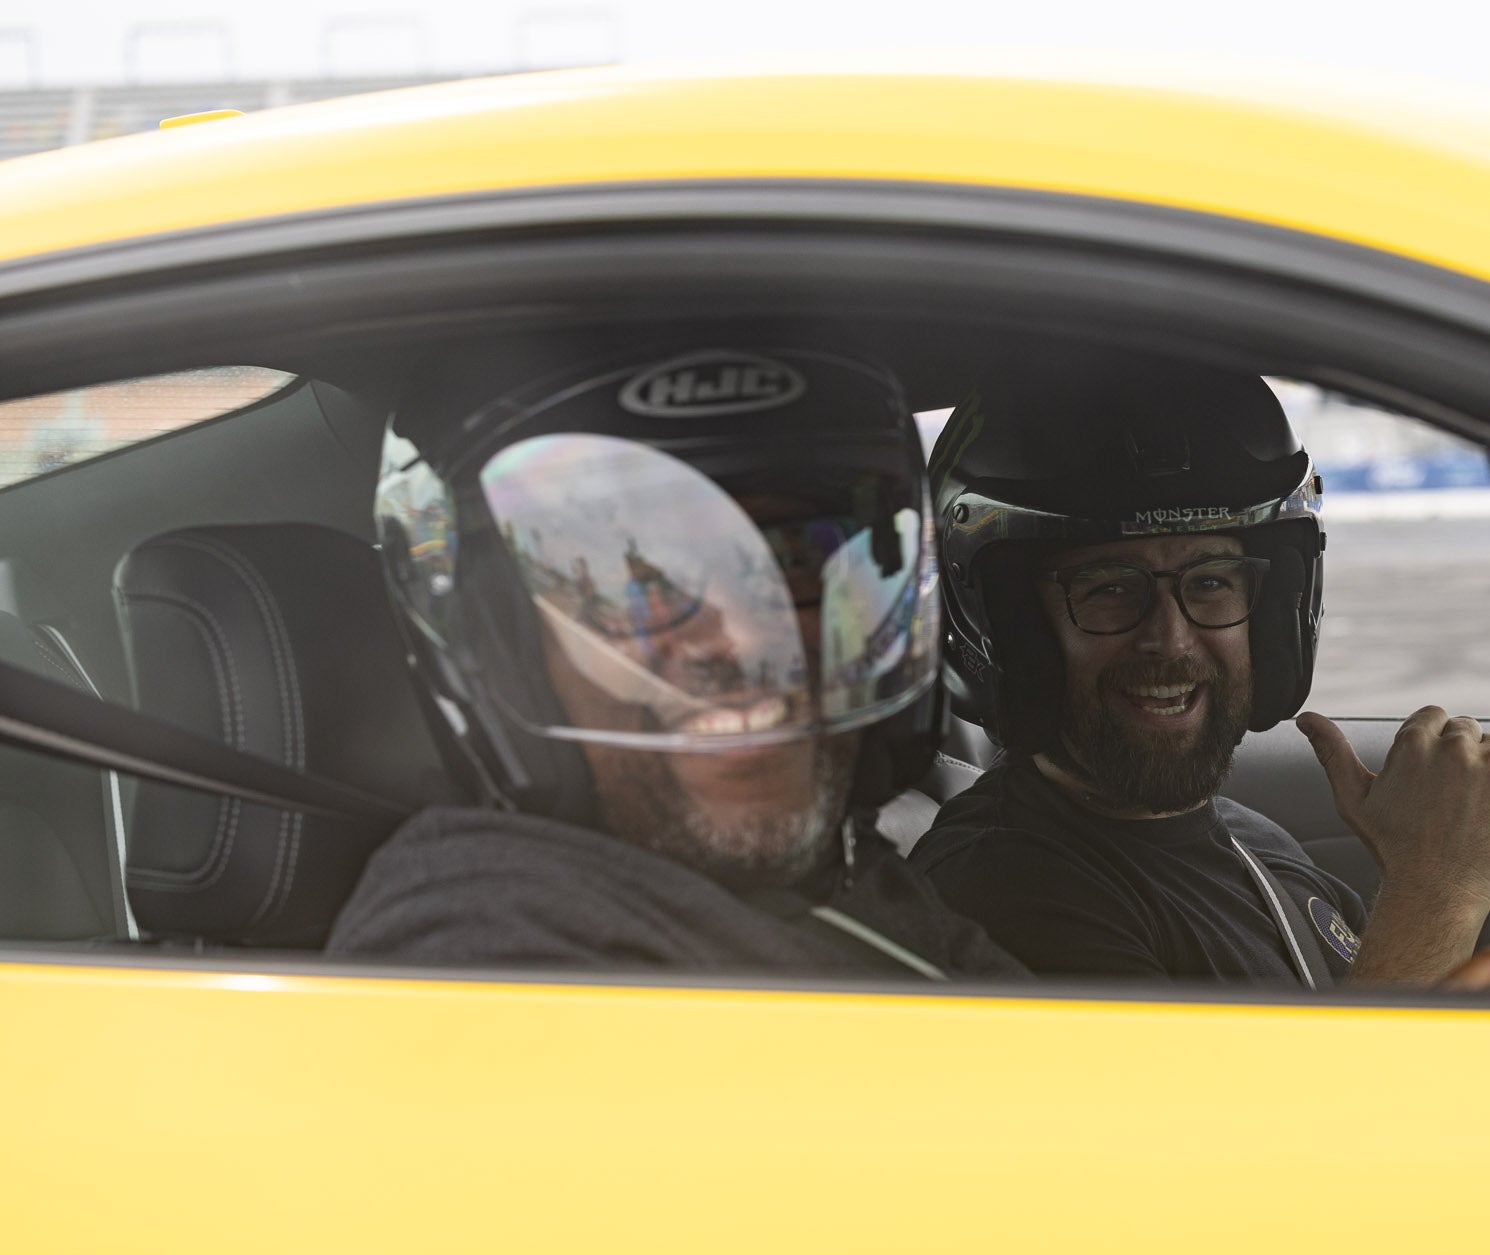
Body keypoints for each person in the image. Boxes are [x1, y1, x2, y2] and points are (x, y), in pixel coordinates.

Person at [325, 336, 1026, 982]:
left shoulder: (844, 870)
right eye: (644, 580)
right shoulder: (484, 956)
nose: (748, 638)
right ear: (505, 647)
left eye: (792, 558)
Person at [911, 356, 1490, 990]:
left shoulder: (1253, 844)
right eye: (1107, 587)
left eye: (1212, 581)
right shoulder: (1008, 893)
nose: (1171, 638)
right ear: (1013, 628)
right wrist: (1439, 889)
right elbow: (1317, 1102)